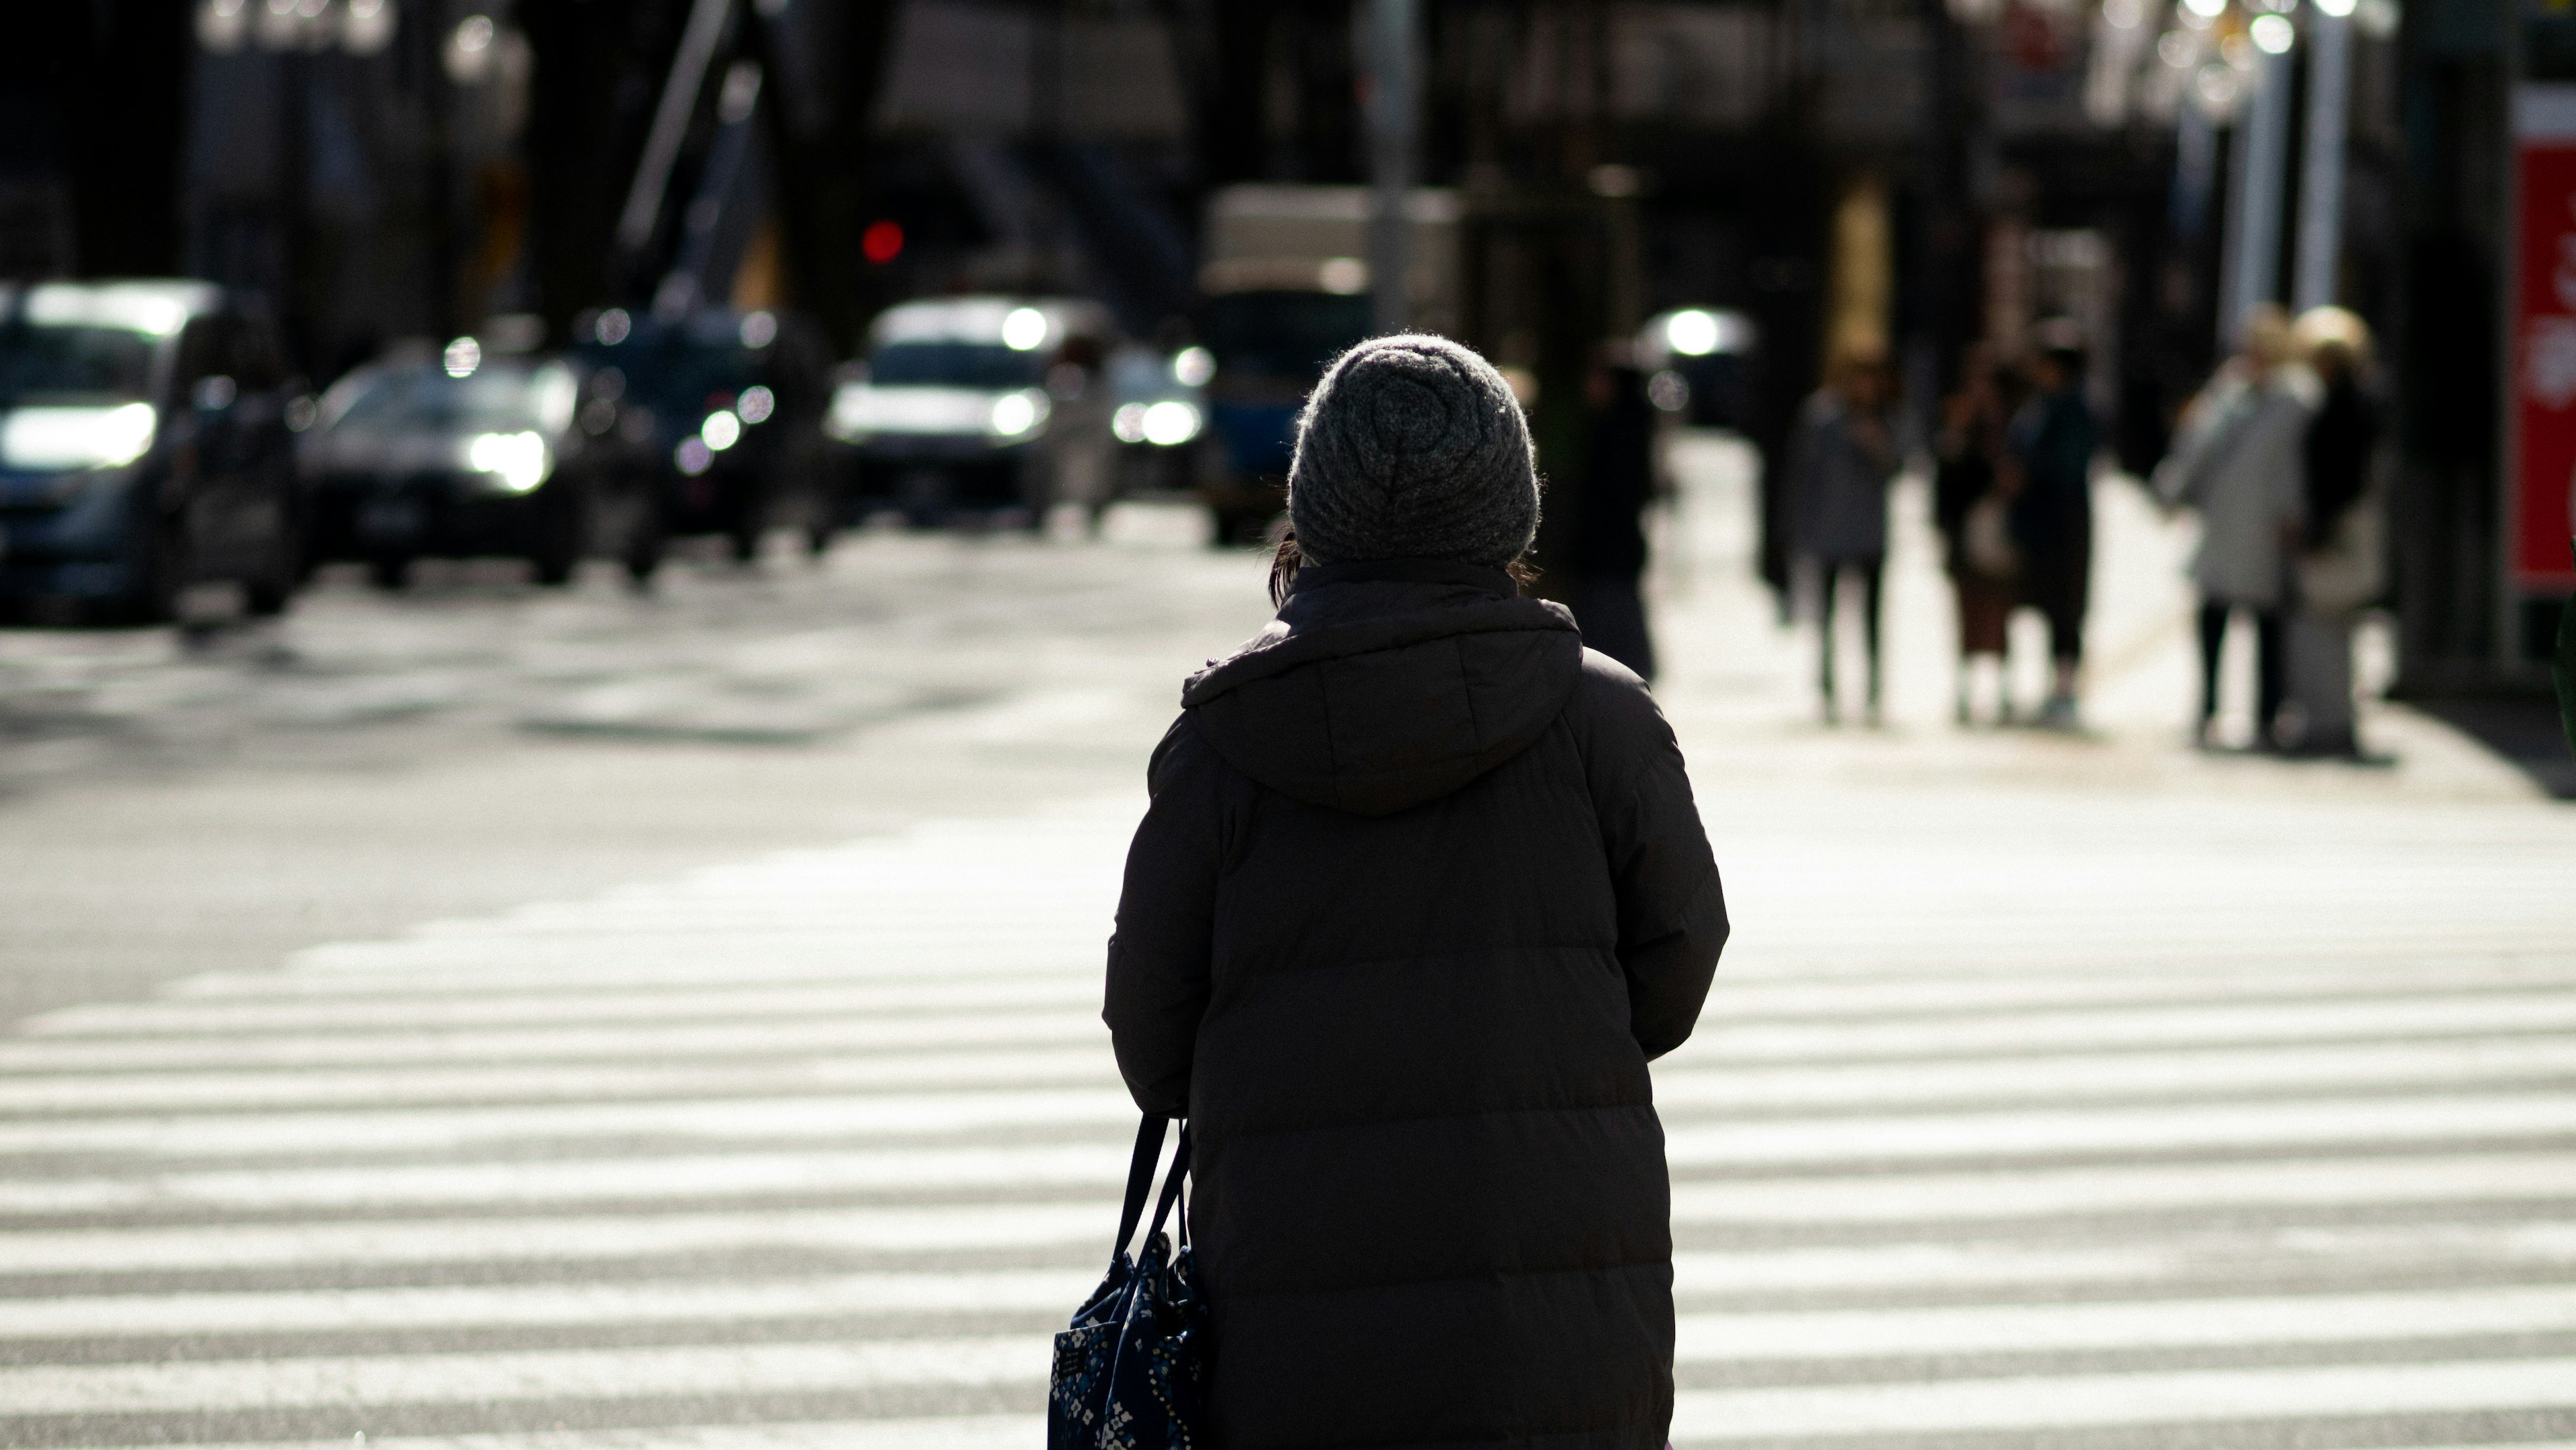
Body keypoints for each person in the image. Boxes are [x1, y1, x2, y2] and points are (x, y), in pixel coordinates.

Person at [1104, 334, 1727, 1450]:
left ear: (1315, 503)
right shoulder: (1604, 723)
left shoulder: (1220, 743)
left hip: (1293, 1315)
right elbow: (1676, 965)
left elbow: (1154, 1042)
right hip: (1556, 1303)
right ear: (1510, 504)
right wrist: (1542, 1042)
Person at [2155, 304, 2315, 749]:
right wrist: (2172, 491)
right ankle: (2206, 709)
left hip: (2268, 527)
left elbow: (2295, 469)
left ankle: (2268, 716)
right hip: (2225, 523)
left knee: (2269, 627)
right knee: (2212, 618)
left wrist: (2294, 516)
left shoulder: (2296, 399)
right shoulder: (2228, 392)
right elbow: (2196, 446)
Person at [1782, 344, 1900, 723]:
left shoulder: (1888, 418)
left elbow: (1901, 466)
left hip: (1870, 534)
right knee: (1828, 617)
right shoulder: (1822, 416)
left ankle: (1873, 693)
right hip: (1829, 532)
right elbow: (1801, 474)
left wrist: (1877, 444)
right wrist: (1798, 530)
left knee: (1872, 620)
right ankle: (1828, 689)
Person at [2286, 306, 2382, 758]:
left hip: (2337, 529)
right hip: (2347, 525)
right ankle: (2334, 719)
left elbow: (2336, 478)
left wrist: (2317, 533)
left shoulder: (2340, 409)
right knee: (2338, 634)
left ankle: (2328, 721)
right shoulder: (2356, 403)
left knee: (2322, 633)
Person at [2003, 323, 2100, 731]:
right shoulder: (2039, 405)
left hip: (2065, 518)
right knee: (2039, 604)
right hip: (2038, 519)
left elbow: (2069, 462)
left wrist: (2030, 469)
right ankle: (2042, 686)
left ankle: (2065, 690)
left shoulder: (2076, 409)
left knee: (2066, 608)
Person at [1933, 348, 2023, 725]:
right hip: (1965, 533)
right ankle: (1966, 691)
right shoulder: (1959, 428)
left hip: (2003, 533)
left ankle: (2003, 690)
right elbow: (1946, 485)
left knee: (2002, 613)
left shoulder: (2013, 429)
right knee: (1967, 613)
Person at [1569, 354, 1662, 679]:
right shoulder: (1622, 426)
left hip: (1609, 548)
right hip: (1615, 548)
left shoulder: (1618, 431)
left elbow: (1616, 494)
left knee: (1610, 621)